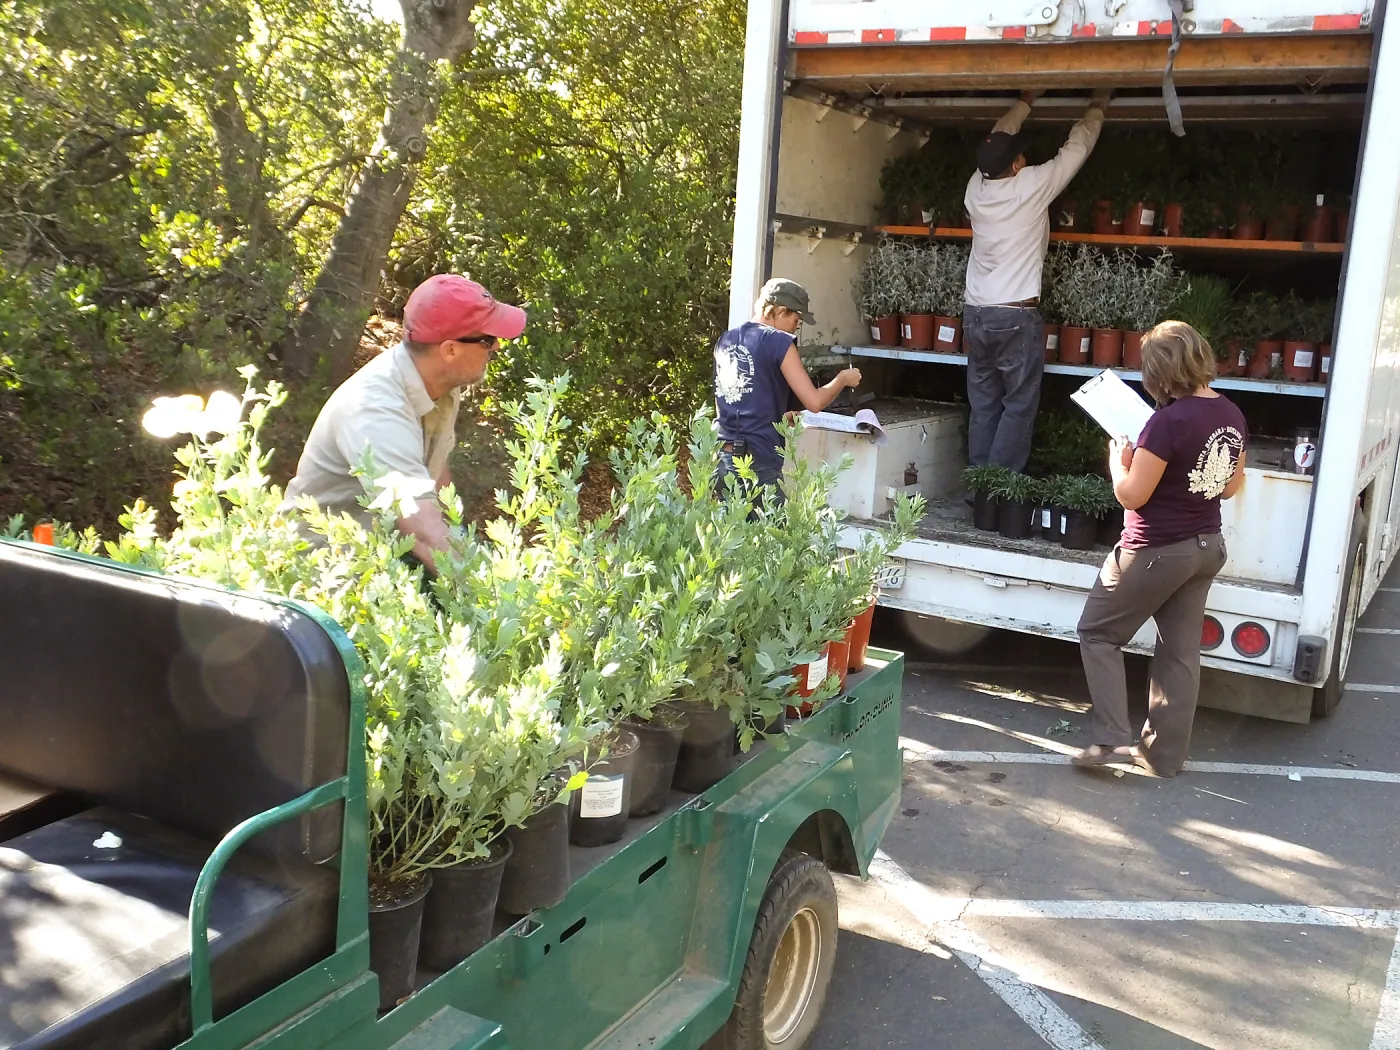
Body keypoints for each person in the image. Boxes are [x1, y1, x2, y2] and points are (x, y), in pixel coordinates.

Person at [1072, 321, 1248, 777]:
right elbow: (1231, 487)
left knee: (1098, 633)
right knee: (1179, 654)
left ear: (1160, 372)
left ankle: (1111, 740)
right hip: (1207, 546)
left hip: (1156, 549)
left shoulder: (1166, 423)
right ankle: (1163, 757)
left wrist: (1118, 462)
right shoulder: (1231, 414)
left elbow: (1132, 495)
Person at [283, 274, 526, 572]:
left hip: (380, 564)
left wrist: (463, 539)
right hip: (316, 576)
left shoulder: (441, 384)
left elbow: (434, 476)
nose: (497, 347)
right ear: (450, 350)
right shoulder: (377, 410)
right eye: (487, 340)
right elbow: (423, 532)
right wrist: (495, 592)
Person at [963, 88, 1110, 472]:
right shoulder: (1029, 186)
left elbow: (997, 138)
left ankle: (979, 487)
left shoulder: (975, 188)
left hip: (975, 314)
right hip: (1014, 316)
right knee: (1018, 405)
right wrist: (1097, 106)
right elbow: (1075, 152)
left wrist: (1025, 101)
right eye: (1020, 156)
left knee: (983, 406)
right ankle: (1000, 490)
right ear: (1015, 166)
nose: (1025, 158)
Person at [713, 277, 861, 496]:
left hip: (722, 459)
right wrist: (843, 379)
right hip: (757, 463)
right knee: (773, 519)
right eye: (796, 320)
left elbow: (734, 400)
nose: (796, 327)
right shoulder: (778, 341)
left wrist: (779, 418)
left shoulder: (726, 339)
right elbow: (814, 402)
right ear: (781, 311)